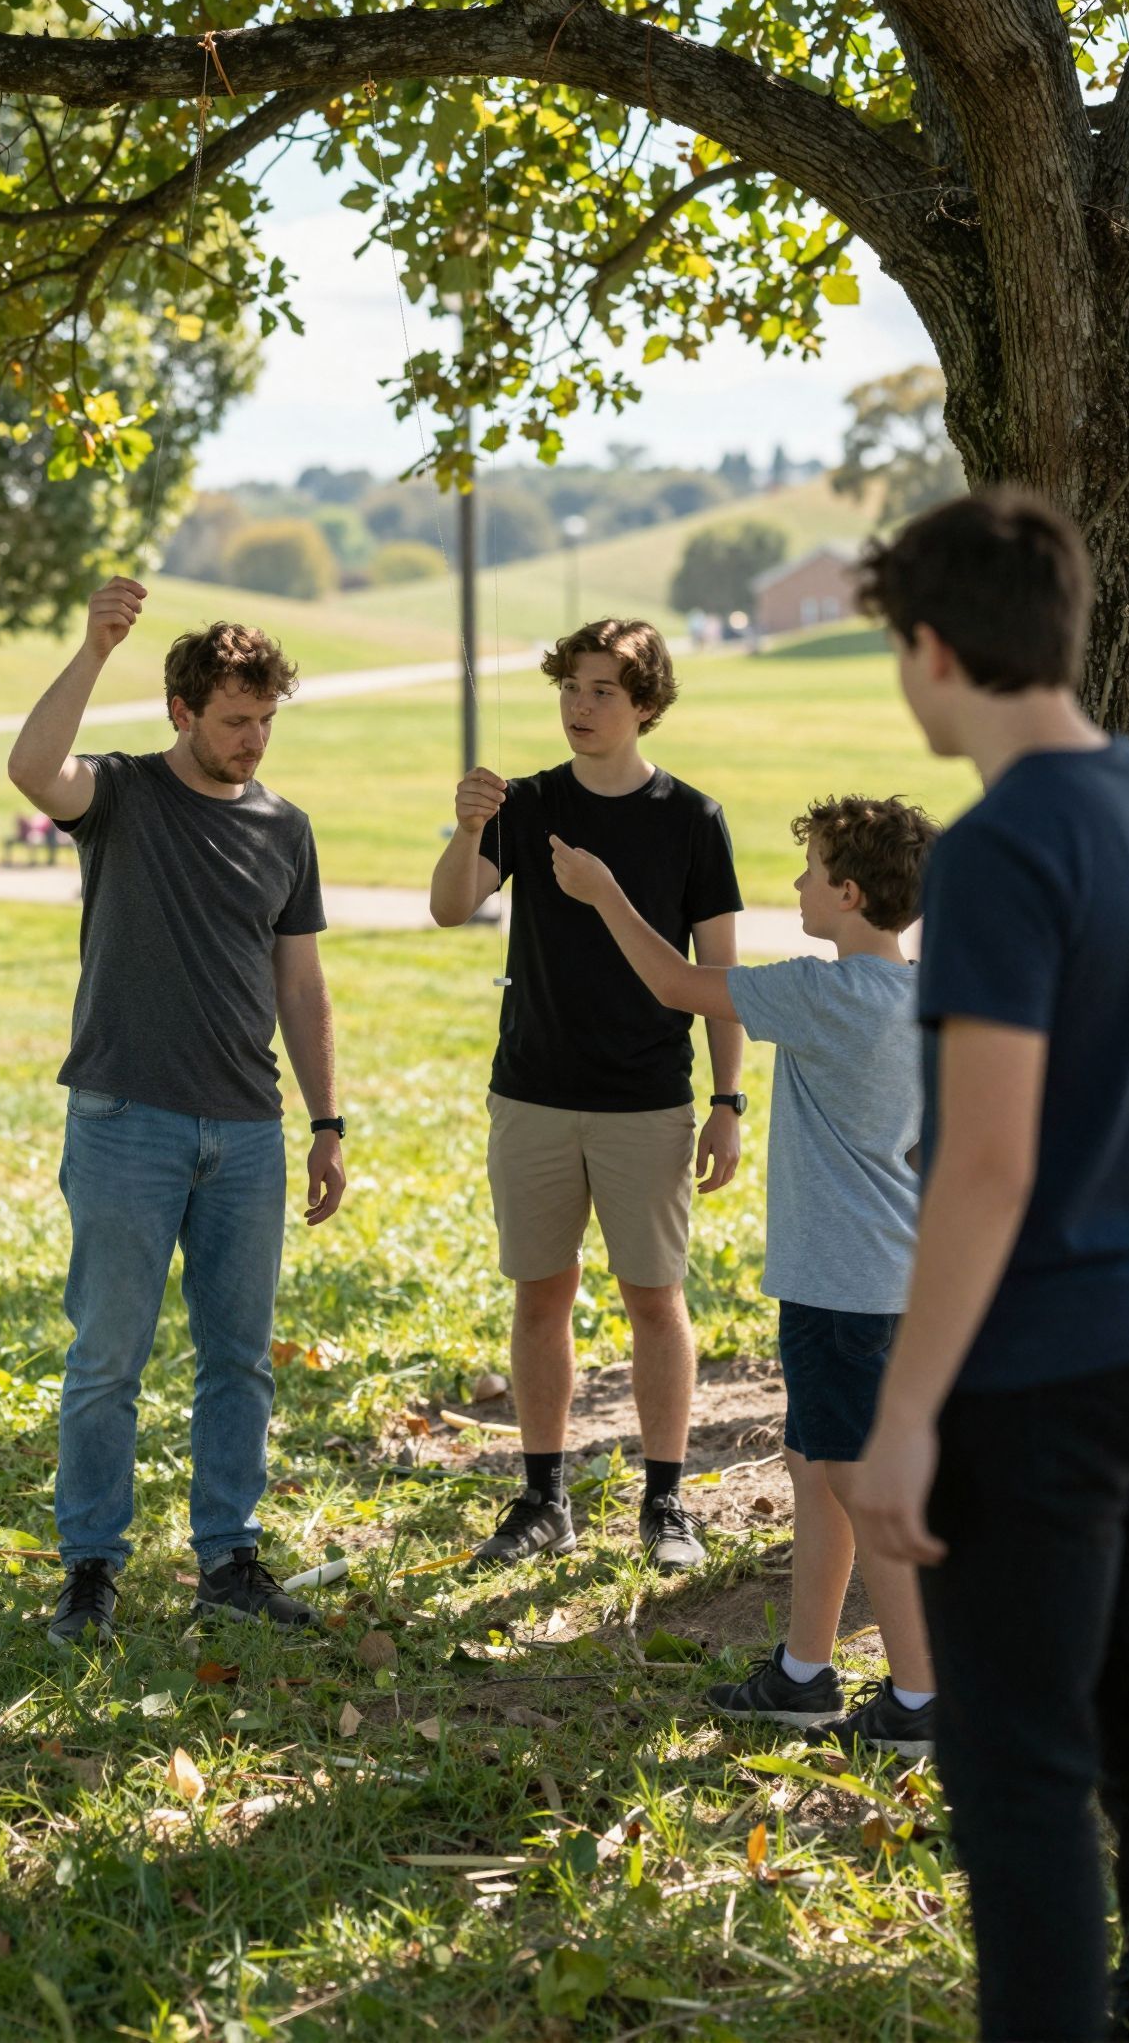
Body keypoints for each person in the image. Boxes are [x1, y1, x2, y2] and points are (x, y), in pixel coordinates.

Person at [847, 490, 1129, 2043]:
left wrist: (906, 1416)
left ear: (938, 652)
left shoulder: (1001, 844)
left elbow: (987, 1159)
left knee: (1021, 1778)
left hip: (1033, 1382)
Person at [552, 794, 942, 1755]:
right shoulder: (930, 995)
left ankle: (923, 1698)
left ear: (849, 894)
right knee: (816, 1467)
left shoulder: (827, 994)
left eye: (810, 872)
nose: (798, 885)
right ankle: (807, 1674)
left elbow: (679, 983)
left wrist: (603, 894)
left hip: (844, 1293)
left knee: (852, 1476)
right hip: (882, 1283)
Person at [7, 580, 348, 1648]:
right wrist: (92, 645)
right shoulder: (120, 796)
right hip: (126, 1118)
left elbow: (302, 986)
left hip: (245, 1129)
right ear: (182, 711)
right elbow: (30, 770)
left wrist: (326, 1120)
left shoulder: (286, 829)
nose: (252, 740)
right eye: (234, 719)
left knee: (238, 1356)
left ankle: (230, 1560)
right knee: (108, 1355)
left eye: (264, 721)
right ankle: (91, 1571)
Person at [429, 617, 745, 1575]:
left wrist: (728, 1103)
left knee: (656, 1300)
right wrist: (472, 823)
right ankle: (542, 1498)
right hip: (531, 1091)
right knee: (541, 1296)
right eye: (571, 686)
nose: (580, 705)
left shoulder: (692, 818)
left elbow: (722, 972)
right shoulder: (526, 804)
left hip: (648, 1098)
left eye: (604, 690)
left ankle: (665, 1501)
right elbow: (449, 907)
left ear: (646, 704)